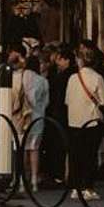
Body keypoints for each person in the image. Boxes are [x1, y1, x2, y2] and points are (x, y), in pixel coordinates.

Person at [64, 45, 104, 200]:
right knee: (90, 155)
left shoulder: (72, 78)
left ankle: (75, 188)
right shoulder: (97, 78)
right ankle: (88, 187)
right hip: (92, 121)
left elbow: (67, 100)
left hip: (74, 120)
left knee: (75, 155)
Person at [12, 48, 50, 185]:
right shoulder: (43, 81)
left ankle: (20, 179)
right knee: (34, 149)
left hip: (20, 118)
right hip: (38, 118)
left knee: (20, 149)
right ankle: (34, 179)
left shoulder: (19, 78)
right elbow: (46, 102)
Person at [41, 46, 73, 188]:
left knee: (60, 145)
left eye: (60, 59)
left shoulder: (66, 75)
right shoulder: (59, 74)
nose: (57, 62)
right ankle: (57, 173)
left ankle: (59, 174)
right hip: (58, 113)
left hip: (60, 113)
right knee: (57, 145)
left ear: (67, 60)